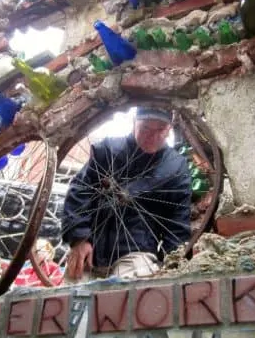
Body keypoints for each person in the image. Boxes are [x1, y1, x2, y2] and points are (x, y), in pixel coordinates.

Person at [61, 107, 192, 282]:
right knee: (70, 302)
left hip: (137, 253)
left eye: (160, 129)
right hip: (90, 248)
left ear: (169, 128)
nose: (152, 136)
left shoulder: (176, 167)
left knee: (132, 299)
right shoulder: (107, 149)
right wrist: (79, 239)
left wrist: (174, 265)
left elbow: (178, 221)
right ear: (134, 123)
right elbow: (79, 191)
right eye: (145, 127)